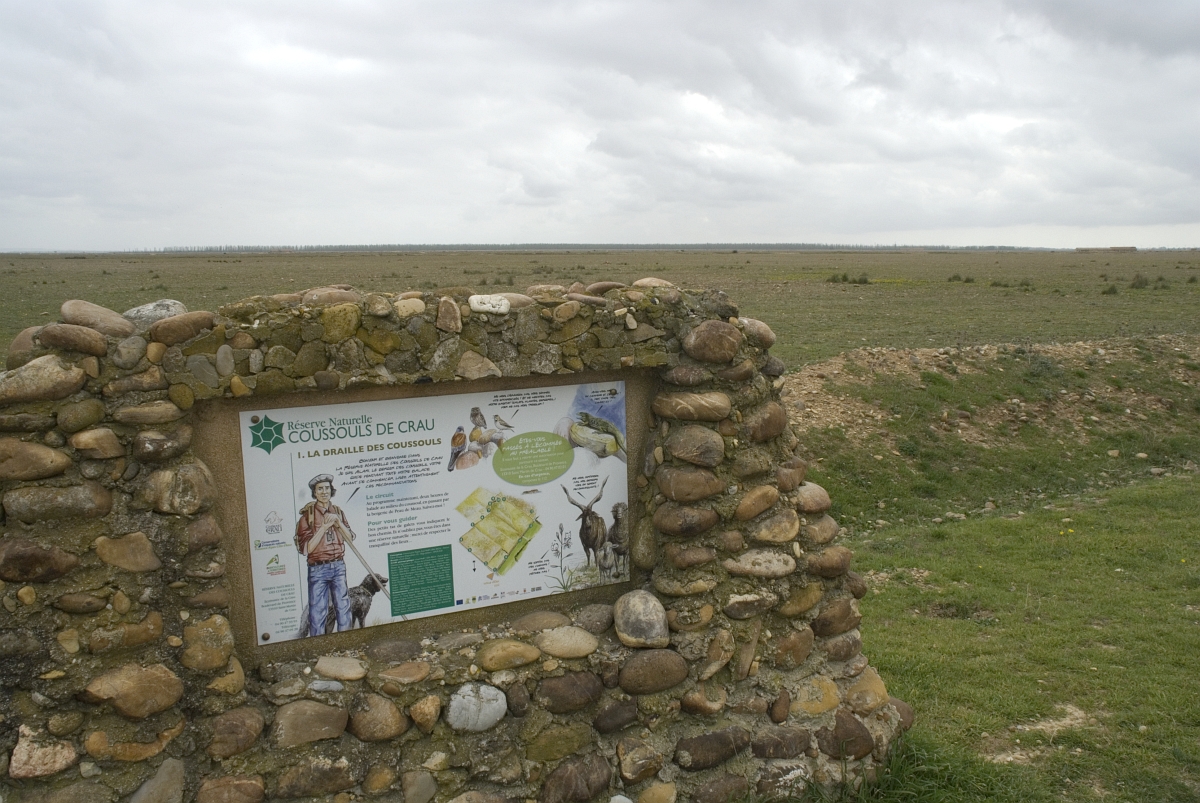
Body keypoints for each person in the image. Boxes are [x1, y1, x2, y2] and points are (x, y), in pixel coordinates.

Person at [294, 474, 356, 635]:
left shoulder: (338, 512)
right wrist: (323, 528)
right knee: (317, 613)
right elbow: (306, 549)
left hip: (338, 566)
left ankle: (347, 640)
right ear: (314, 492)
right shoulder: (307, 516)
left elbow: (350, 539)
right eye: (320, 489)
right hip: (318, 569)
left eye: (327, 488)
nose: (324, 492)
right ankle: (318, 643)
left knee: (344, 609)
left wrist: (338, 522)